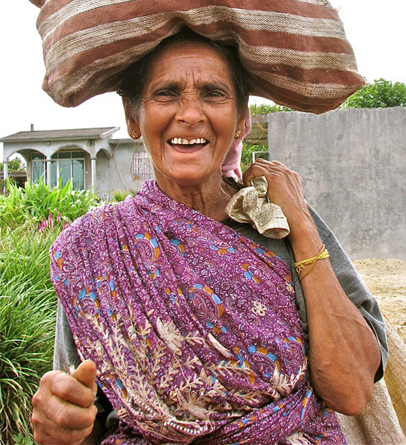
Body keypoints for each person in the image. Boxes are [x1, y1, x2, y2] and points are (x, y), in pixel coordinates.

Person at [31, 30, 386, 445]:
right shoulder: (96, 251)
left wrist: (302, 229)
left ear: (242, 119)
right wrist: (62, 423)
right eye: (166, 94)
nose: (190, 114)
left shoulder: (284, 220)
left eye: (213, 94)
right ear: (133, 118)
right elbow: (87, 415)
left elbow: (351, 389)